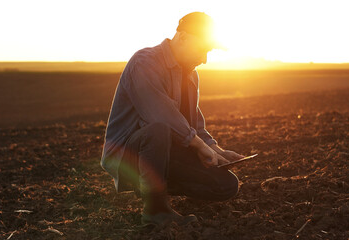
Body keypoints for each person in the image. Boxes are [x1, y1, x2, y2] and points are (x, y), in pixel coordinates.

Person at [101, 12, 244, 226]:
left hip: (164, 152)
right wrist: (198, 146)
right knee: (158, 129)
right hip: (127, 154)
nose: (204, 59)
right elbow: (161, 115)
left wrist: (218, 152)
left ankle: (156, 185)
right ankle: (155, 210)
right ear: (184, 37)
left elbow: (193, 125)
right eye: (203, 49)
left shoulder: (190, 75)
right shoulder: (144, 62)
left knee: (226, 185)